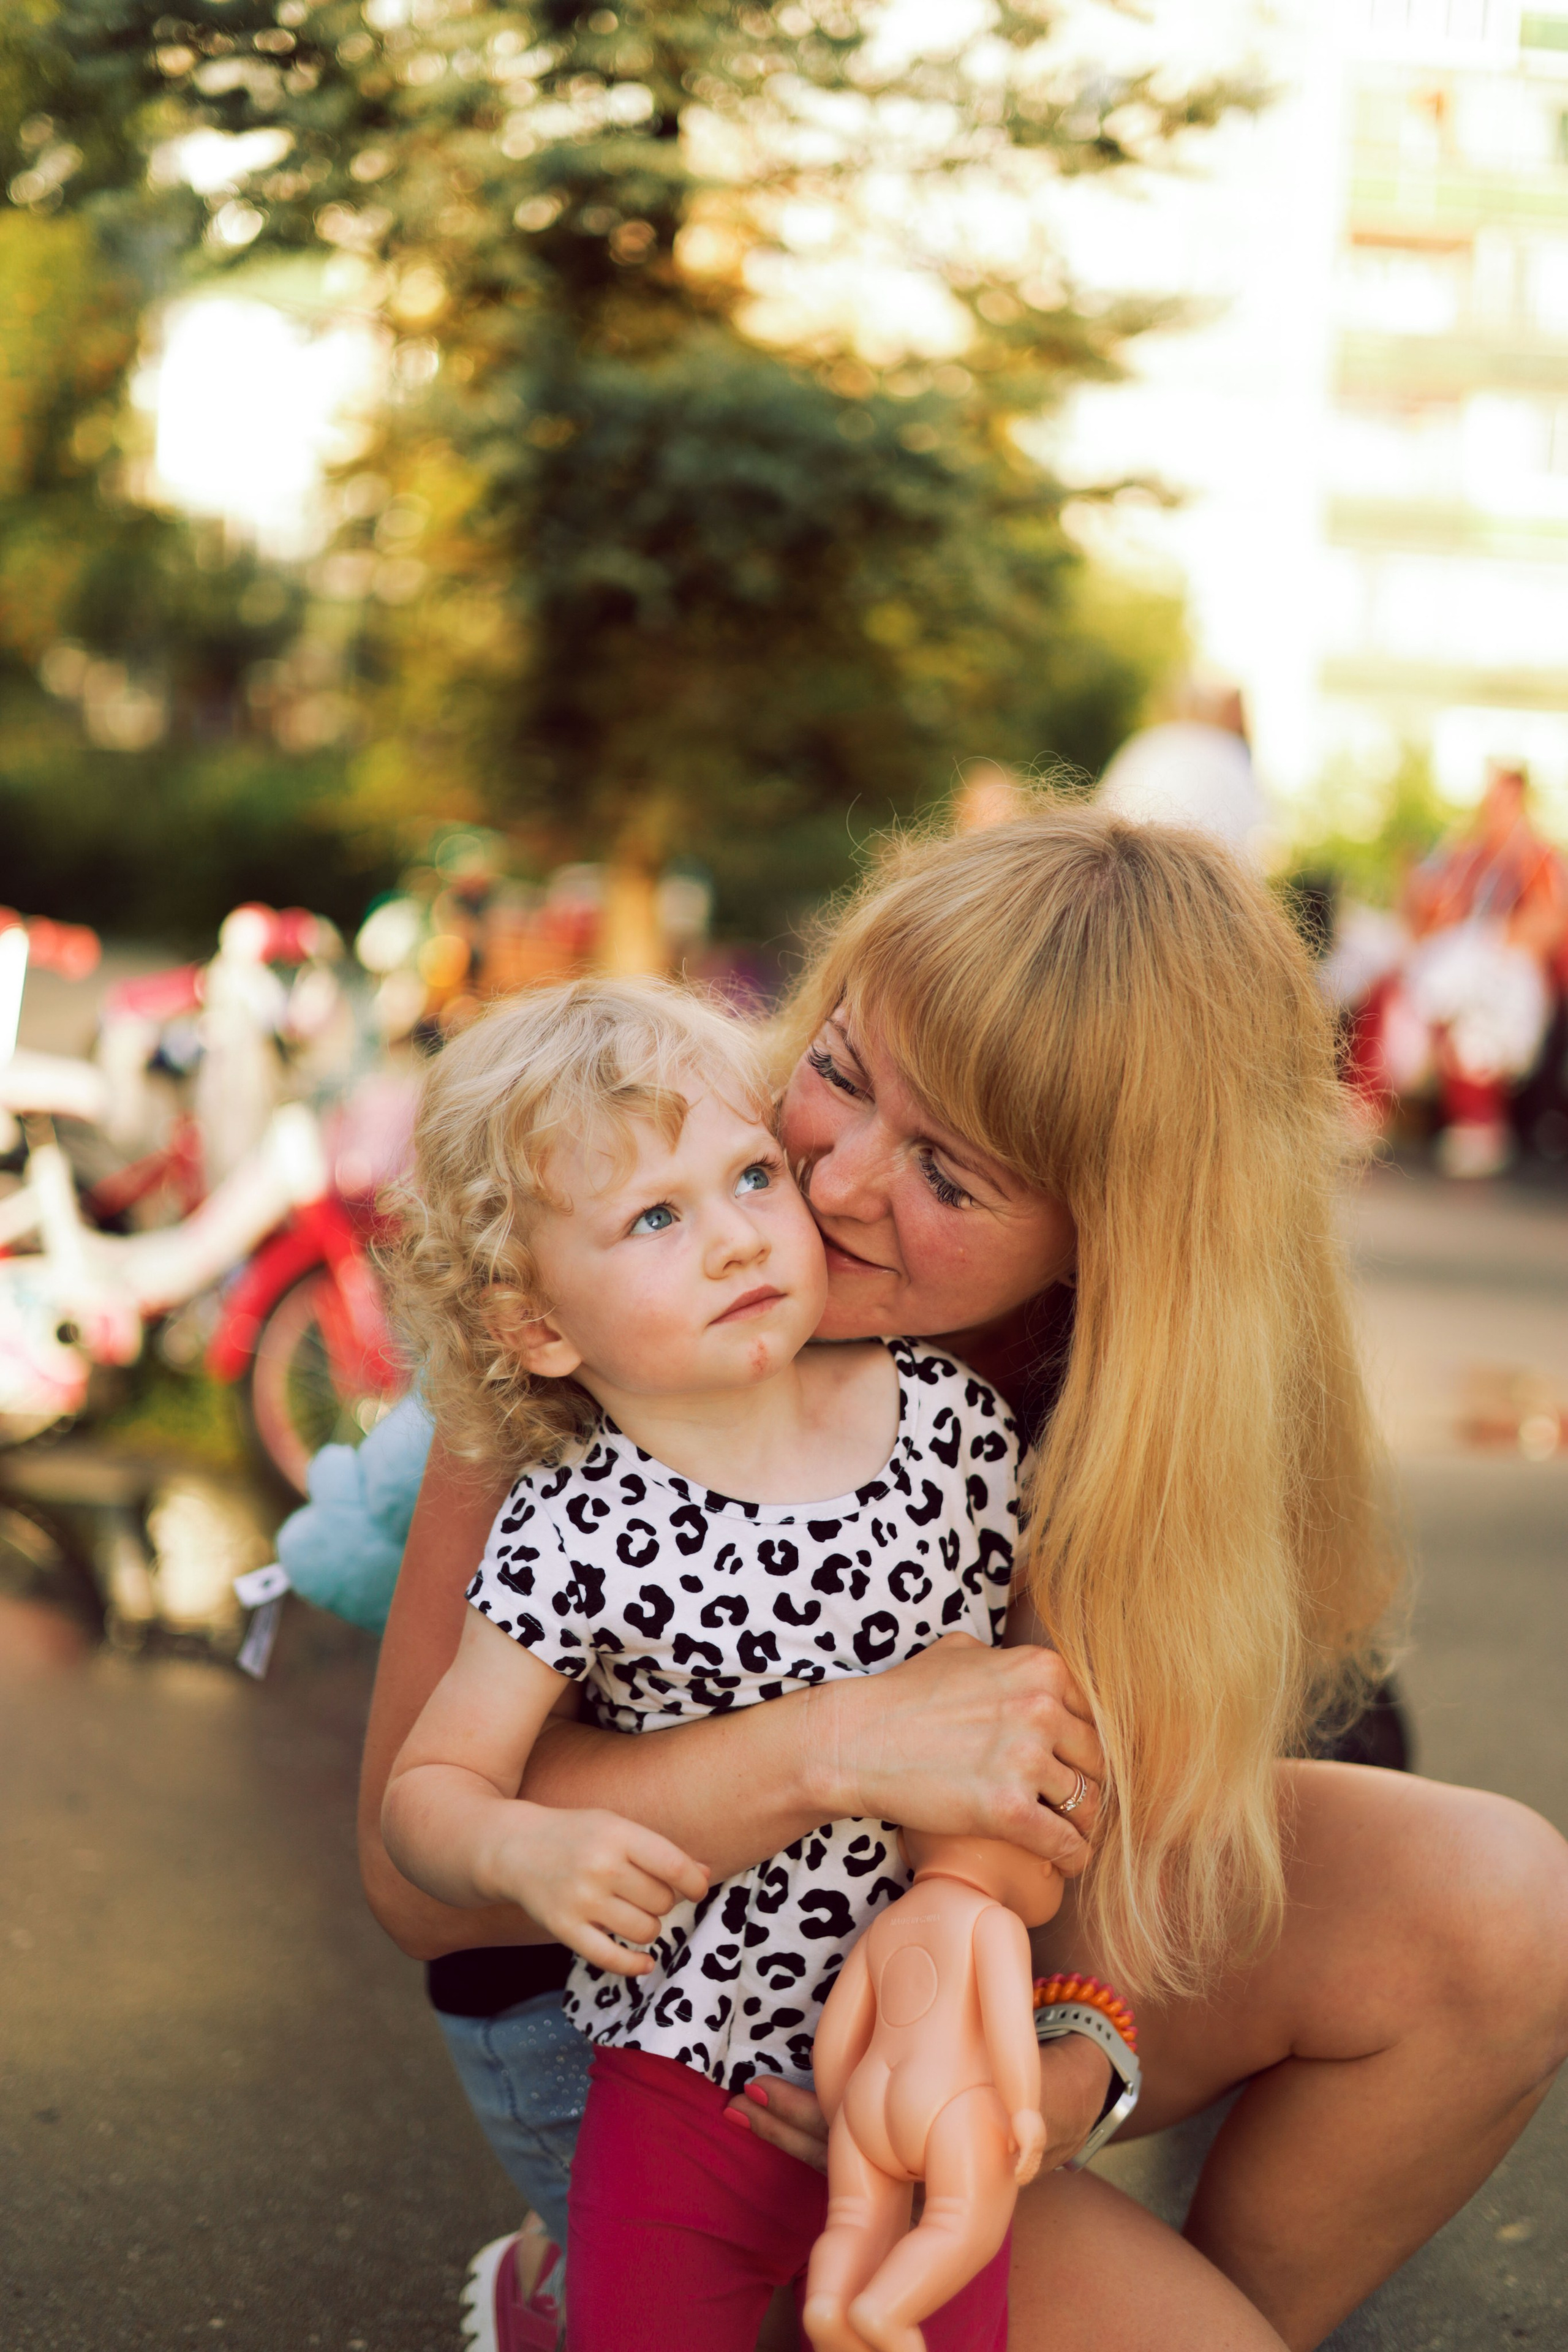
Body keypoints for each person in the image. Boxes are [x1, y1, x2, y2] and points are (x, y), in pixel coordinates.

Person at [359, 807, 1568, 2352]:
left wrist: (1065, 2047)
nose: (832, 1184)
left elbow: (1100, 1788)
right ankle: (585, 2276)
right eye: (842, 1073)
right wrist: (838, 1741)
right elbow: (418, 1880)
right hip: (638, 2030)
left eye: (947, 1170)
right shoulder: (616, 1260)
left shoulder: (1102, 1402)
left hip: (928, 1970)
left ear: (1110, 1241)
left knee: (1496, 1899)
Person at [379, 976, 1038, 2350]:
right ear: (537, 1327)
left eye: (749, 1174)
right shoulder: (572, 1526)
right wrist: (517, 1851)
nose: (739, 1234)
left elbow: (1036, 1713)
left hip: (918, 2050)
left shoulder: (952, 1427)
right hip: (683, 2076)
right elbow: (428, 1787)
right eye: (656, 1217)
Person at [1401, 761, 1568, 1178]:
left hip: (1511, 970)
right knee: (1422, 998)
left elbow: (1552, 921)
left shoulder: (1541, 858)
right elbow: (1430, 908)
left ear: (1520, 801)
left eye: (1503, 800)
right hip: (1458, 961)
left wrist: (1500, 942)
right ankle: (1463, 1122)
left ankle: (1480, 1128)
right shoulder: (1466, 855)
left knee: (1478, 1030)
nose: (1494, 809)